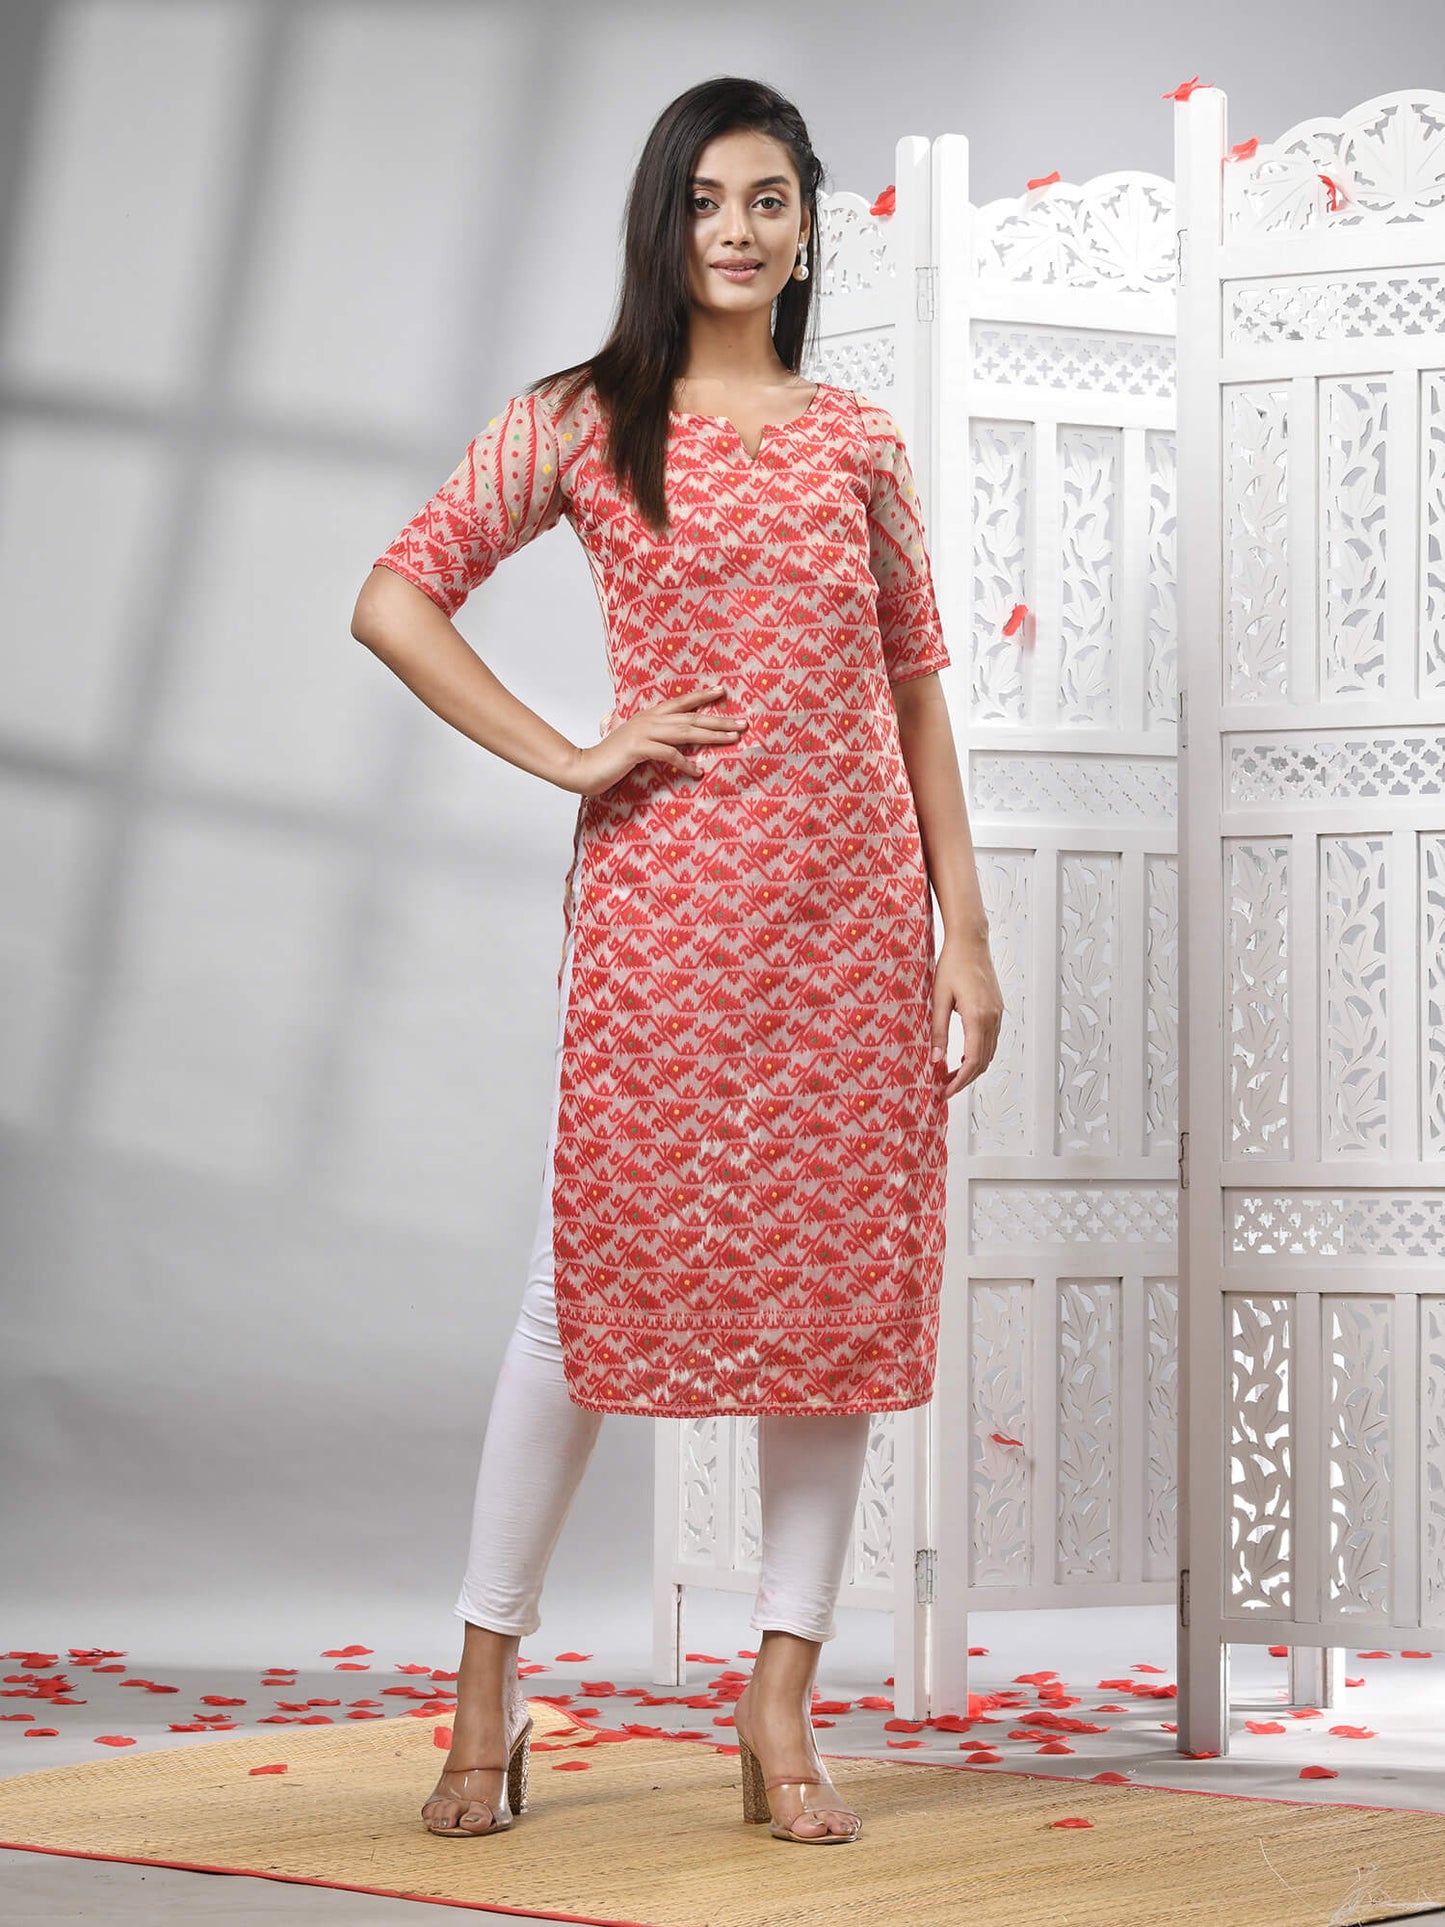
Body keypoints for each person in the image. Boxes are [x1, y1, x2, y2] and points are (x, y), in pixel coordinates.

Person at [352, 74, 1002, 1847]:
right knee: (578, 1291)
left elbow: (914, 692)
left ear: (806, 225)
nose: (736, 229)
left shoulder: (857, 438)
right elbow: (395, 596)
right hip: (665, 923)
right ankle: (486, 1685)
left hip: (852, 925)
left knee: (833, 1311)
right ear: (663, 219)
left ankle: (778, 1701)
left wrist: (963, 927)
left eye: (768, 199)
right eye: (707, 199)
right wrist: (573, 752)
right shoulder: (580, 419)